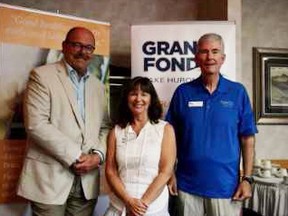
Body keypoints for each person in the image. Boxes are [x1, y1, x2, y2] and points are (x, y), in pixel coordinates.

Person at [17, 27, 110, 216]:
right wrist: (77, 156)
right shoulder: (41, 76)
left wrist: (98, 156)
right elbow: (37, 124)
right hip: (49, 181)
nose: (83, 52)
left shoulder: (98, 87)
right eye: (77, 45)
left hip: (87, 182)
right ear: (64, 46)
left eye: (89, 47)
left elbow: (105, 126)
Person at [166, 33, 258, 216]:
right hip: (187, 186)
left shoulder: (238, 92)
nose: (210, 57)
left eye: (215, 52)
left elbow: (248, 139)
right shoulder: (183, 93)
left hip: (226, 188)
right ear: (196, 58)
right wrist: (170, 173)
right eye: (204, 52)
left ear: (222, 58)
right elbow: (169, 138)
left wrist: (247, 179)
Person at [104, 76, 176, 216]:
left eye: (144, 94)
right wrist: (129, 202)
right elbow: (111, 171)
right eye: (133, 94)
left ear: (151, 99)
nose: (138, 99)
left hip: (153, 208)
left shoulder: (165, 129)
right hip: (120, 206)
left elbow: (166, 171)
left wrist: (141, 205)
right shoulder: (116, 132)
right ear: (127, 98)